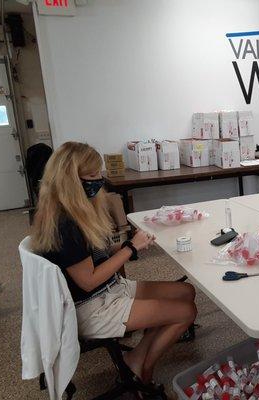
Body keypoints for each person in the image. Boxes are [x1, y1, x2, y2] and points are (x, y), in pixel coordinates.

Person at [31, 142, 197, 399]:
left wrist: (121, 245)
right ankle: (143, 372)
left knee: (185, 292)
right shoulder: (66, 225)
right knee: (186, 312)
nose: (99, 181)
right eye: (92, 176)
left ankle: (135, 358)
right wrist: (130, 248)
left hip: (106, 290)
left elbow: (89, 259)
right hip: (92, 306)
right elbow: (88, 281)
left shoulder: (70, 211)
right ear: (70, 180)